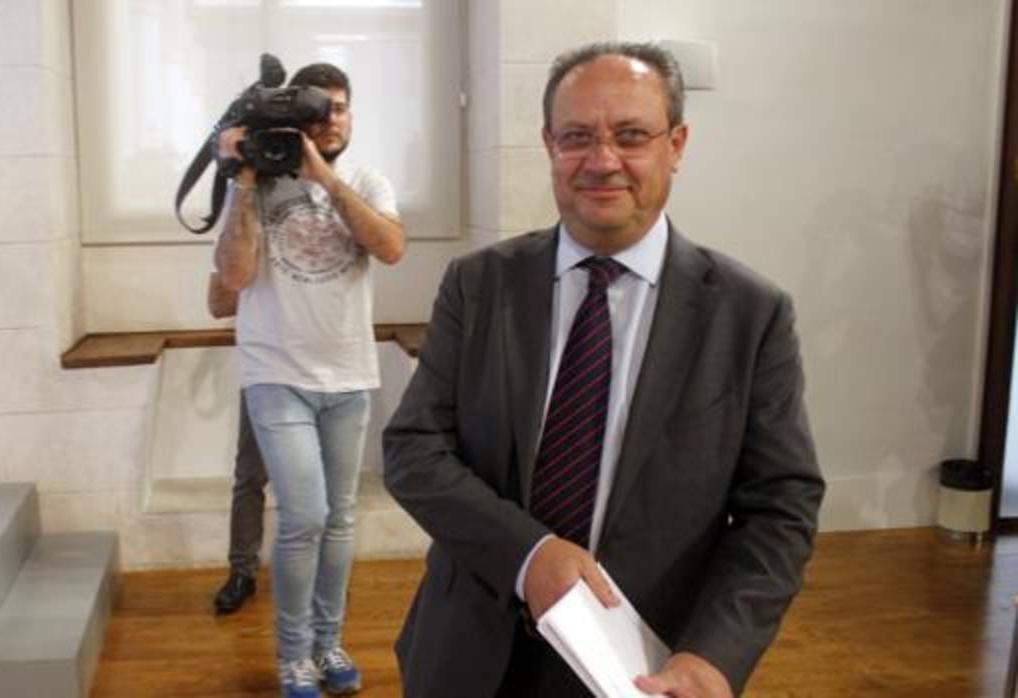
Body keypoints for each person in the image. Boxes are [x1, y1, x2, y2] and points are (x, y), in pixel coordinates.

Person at [382, 41, 824, 698]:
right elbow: (413, 449)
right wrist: (528, 555)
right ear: (549, 144)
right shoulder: (479, 285)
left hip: (643, 663)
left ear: (677, 143)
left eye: (632, 135)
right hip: (468, 648)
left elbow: (779, 508)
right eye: (577, 137)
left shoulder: (749, 314)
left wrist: (714, 655)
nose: (602, 160)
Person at [213, 62, 405, 698]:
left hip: (348, 372)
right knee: (305, 516)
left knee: (341, 519)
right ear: (294, 117)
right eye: (318, 111)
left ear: (351, 116)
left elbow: (390, 246)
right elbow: (233, 280)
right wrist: (242, 181)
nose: (330, 120)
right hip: (277, 371)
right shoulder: (259, 185)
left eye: (340, 109)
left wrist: (323, 177)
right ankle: (293, 656)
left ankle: (329, 644)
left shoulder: (368, 179)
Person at [206, 271, 268, 615]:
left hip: (321, 373)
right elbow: (218, 304)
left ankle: (323, 577)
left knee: (320, 484)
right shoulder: (241, 224)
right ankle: (242, 572)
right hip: (265, 373)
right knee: (250, 475)